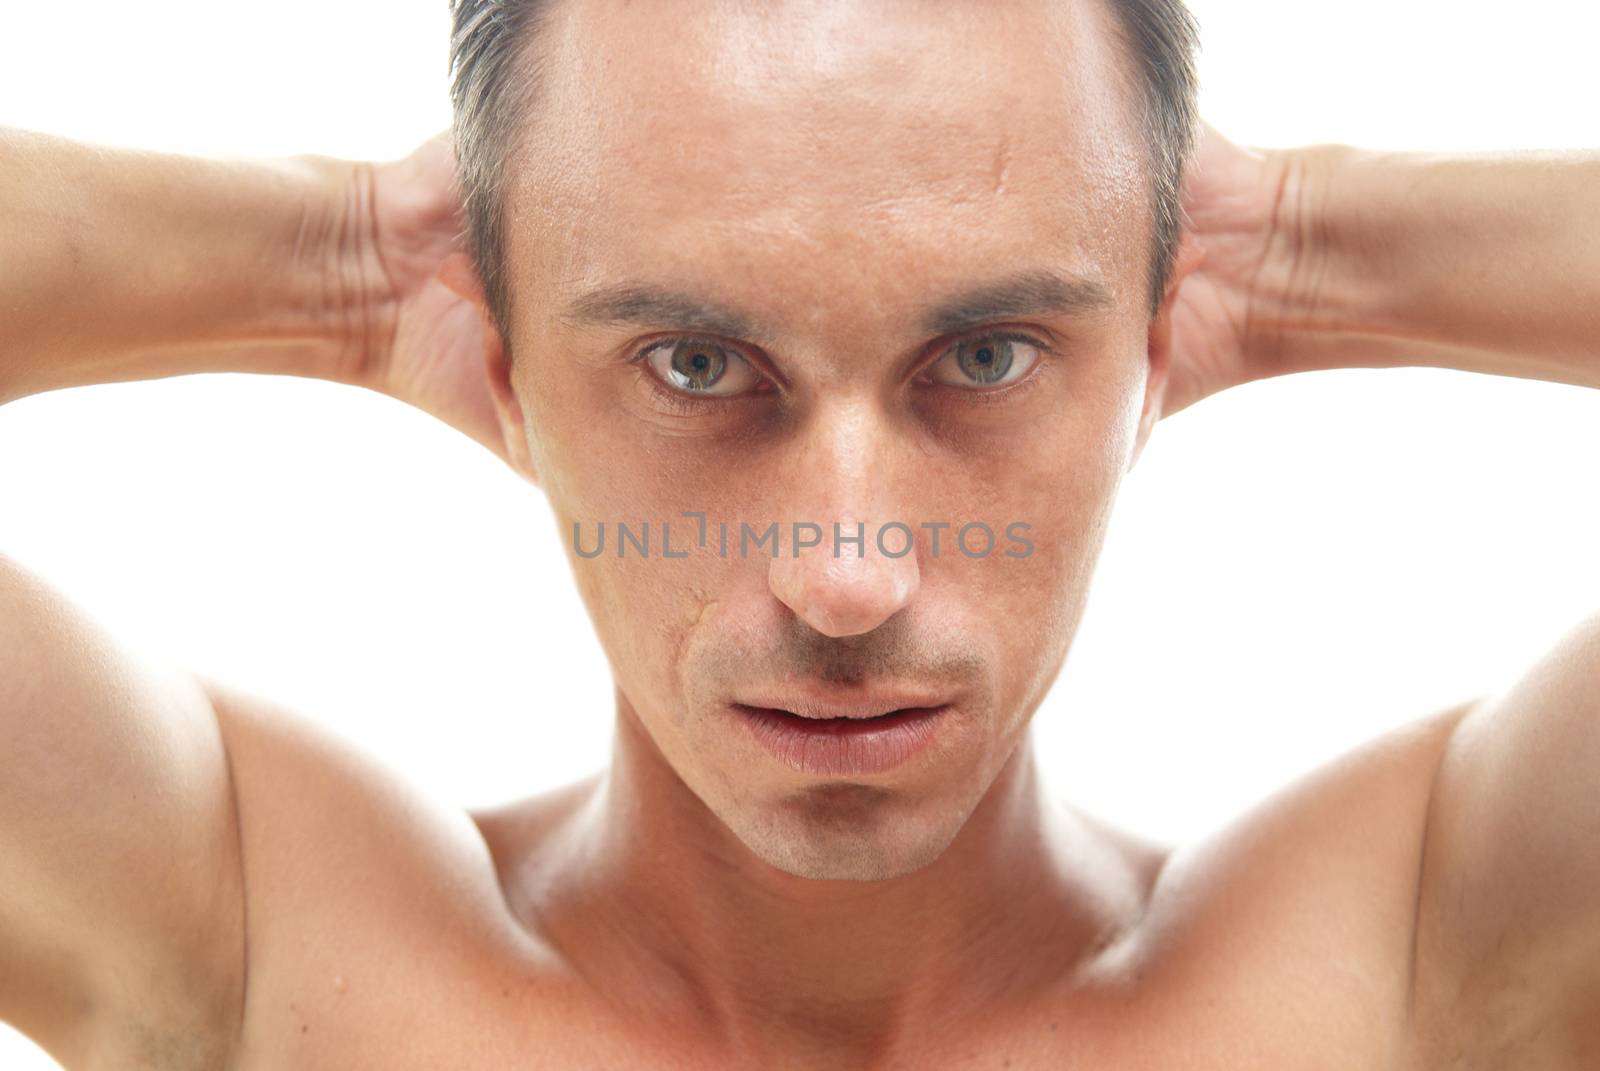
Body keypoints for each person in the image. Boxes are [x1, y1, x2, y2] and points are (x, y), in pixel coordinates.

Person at [3, 0, 1598, 1066]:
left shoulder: (1396, 969)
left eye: (985, 356)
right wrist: (343, 256)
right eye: (695, 363)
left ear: (1163, 340)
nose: (849, 582)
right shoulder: (271, 936)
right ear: (498, 361)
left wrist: (1311, 243)